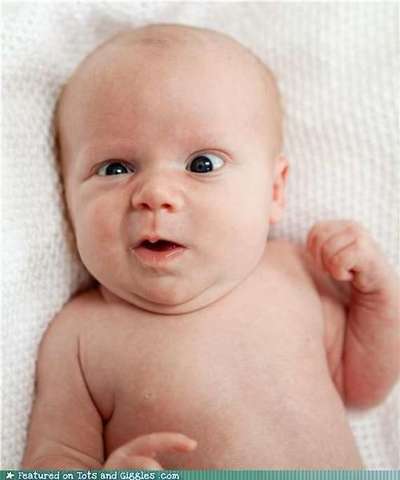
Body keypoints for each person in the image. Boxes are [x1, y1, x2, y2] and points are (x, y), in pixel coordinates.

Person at [22, 23, 399, 469]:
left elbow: (361, 388)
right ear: (66, 197)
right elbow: (51, 462)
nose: (155, 193)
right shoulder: (79, 339)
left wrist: (378, 297)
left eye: (202, 164)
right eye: (114, 168)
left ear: (274, 191)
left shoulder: (294, 274)